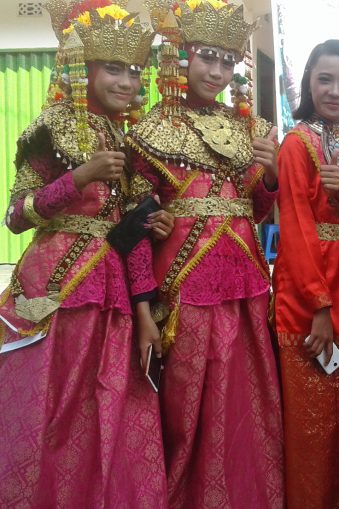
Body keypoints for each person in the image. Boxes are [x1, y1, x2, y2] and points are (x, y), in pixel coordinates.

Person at [0, 1, 170, 506]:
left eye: (134, 71)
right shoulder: (49, 127)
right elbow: (16, 215)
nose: (127, 82)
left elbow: (128, 235)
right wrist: (79, 177)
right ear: (83, 67)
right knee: (51, 410)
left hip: (113, 292)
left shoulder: (128, 140)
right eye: (114, 68)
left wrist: (145, 311)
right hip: (53, 289)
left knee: (108, 408)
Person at [125, 1, 283, 507]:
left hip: (245, 280)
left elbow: (255, 207)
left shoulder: (247, 127)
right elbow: (133, 225)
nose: (216, 72)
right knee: (185, 399)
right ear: (181, 57)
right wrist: (142, 302)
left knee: (248, 395)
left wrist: (272, 175)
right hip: (183, 283)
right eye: (206, 57)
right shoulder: (149, 130)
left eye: (226, 61)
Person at [273, 39, 339, 509]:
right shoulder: (296, 144)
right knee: (314, 433)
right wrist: (318, 304)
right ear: (308, 84)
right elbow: (296, 227)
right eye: (325, 79)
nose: (336, 91)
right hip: (309, 298)